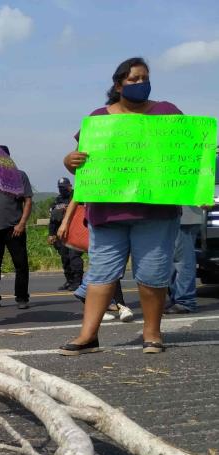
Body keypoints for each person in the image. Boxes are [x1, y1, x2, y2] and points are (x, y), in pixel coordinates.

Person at [59, 57, 182, 355]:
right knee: (101, 274)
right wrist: (69, 161)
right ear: (118, 85)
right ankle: (88, 336)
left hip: (155, 212)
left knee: (153, 273)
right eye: (134, 79)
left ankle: (152, 334)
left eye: (145, 78)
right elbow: (82, 160)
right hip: (107, 212)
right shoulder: (98, 119)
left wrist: (200, 186)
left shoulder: (168, 113)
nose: (141, 84)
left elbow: (186, 157)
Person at [0, 146, 32, 309]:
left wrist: (22, 223)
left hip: (14, 228)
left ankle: (22, 297)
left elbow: (28, 200)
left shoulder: (19, 175)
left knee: (21, 264)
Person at [165, 206, 203, 314]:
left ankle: (185, 301)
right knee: (175, 261)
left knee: (182, 260)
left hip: (185, 217)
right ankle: (178, 299)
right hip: (179, 216)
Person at [47, 177, 83, 291]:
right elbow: (53, 219)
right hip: (62, 235)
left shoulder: (77, 197)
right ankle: (69, 281)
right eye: (60, 188)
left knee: (74, 257)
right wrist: (51, 234)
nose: (62, 190)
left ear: (69, 186)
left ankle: (78, 282)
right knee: (65, 258)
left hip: (75, 233)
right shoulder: (58, 200)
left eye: (63, 187)